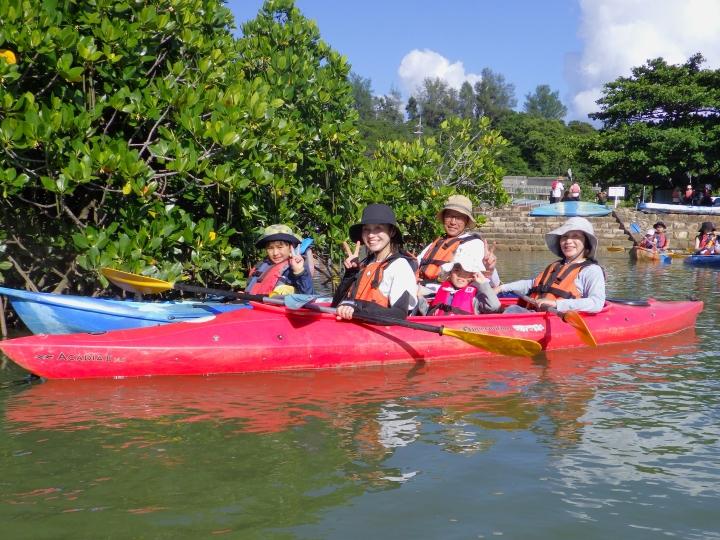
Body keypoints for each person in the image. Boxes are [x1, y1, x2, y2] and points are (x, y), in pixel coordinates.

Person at [493, 217, 606, 314]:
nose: (568, 241)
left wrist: (556, 304)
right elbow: (531, 283)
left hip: (557, 318)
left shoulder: (591, 270)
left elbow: (596, 303)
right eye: (565, 236)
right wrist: (501, 288)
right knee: (508, 308)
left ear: (586, 243)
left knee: (512, 310)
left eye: (575, 236)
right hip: (534, 313)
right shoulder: (557, 266)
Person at [333, 204, 417, 321]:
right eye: (366, 229)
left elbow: (400, 313)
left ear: (392, 232)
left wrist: (359, 312)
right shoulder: (364, 264)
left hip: (380, 331)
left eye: (378, 228)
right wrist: (350, 274)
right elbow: (335, 305)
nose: (371, 235)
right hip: (356, 329)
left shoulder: (400, 266)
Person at [416, 195, 499, 293]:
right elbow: (415, 264)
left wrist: (490, 268)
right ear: (443, 218)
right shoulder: (436, 243)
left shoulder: (474, 245)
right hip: (422, 289)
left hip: (446, 294)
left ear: (467, 221)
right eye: (449, 216)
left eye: (459, 218)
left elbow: (494, 284)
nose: (453, 222)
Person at [417, 244, 501, 316]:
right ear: (450, 273)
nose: (461, 275)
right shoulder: (444, 289)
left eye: (467, 271)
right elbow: (429, 313)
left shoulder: (476, 297)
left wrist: (484, 283)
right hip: (438, 329)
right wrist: (420, 298)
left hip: (463, 329)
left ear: (473, 275)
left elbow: (494, 306)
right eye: (457, 270)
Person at [245, 224, 315, 295]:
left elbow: (309, 295)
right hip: (252, 303)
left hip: (279, 305)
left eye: (280, 247)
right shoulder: (263, 265)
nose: (275, 253)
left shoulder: (298, 267)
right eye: (270, 248)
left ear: (292, 247)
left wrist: (299, 271)